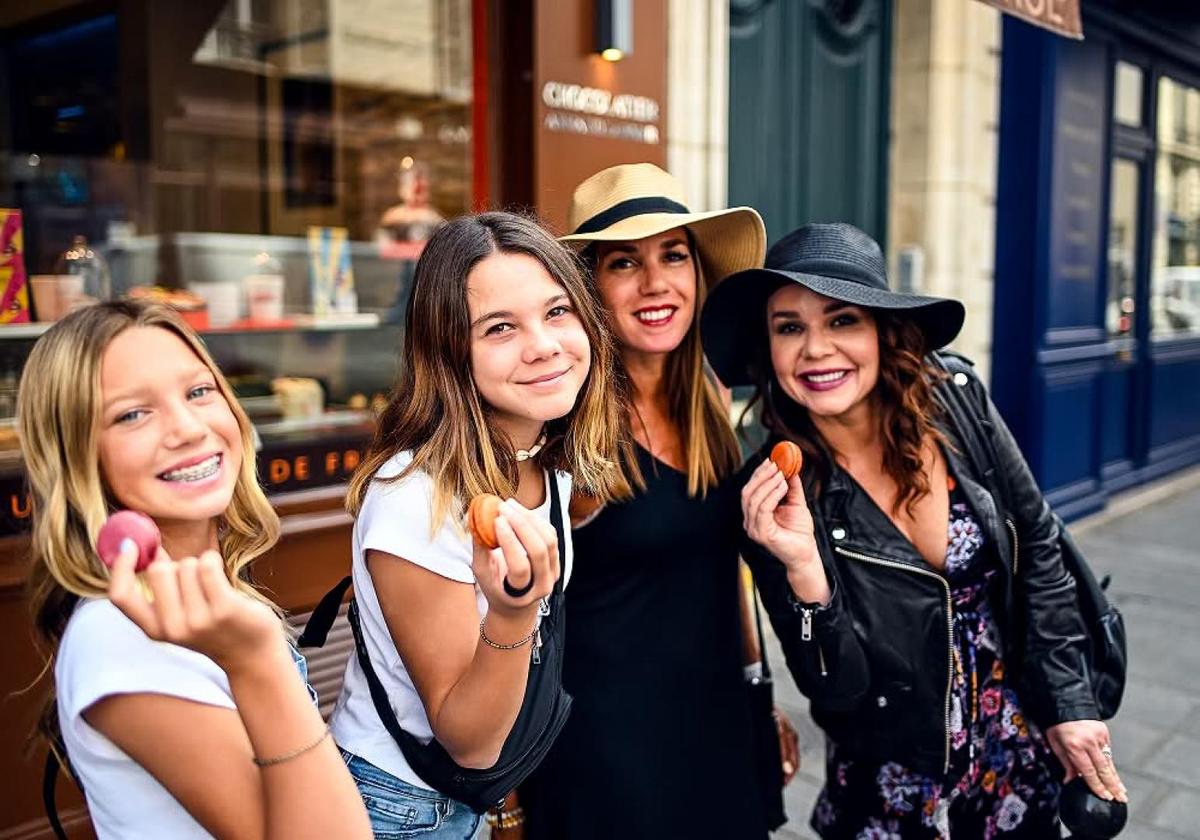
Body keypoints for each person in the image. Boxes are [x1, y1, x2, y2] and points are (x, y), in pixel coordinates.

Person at [701, 222, 1128, 838]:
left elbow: (1039, 546)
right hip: (891, 783)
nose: (816, 348)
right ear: (768, 349)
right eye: (789, 327)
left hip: (1014, 746)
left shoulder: (957, 401)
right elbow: (835, 692)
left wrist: (1070, 703)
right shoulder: (773, 494)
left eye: (841, 319)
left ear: (881, 330)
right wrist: (804, 572)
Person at [516, 163, 799, 840]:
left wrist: (759, 690)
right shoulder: (567, 426)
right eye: (624, 262)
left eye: (673, 255)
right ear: (588, 288)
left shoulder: (708, 401)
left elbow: (724, 570)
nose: (655, 283)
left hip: (716, 718)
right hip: (608, 752)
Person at [20, 300, 371, 840]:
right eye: (132, 414)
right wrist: (257, 664)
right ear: (79, 457)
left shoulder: (206, 588)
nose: (187, 428)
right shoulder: (120, 638)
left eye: (199, 391)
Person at [328, 211, 625, 838]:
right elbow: (468, 742)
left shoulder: (545, 464)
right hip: (393, 807)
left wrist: (506, 809)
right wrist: (515, 612)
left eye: (557, 312)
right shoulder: (417, 496)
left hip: (459, 805)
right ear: (449, 351)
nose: (542, 344)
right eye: (499, 328)